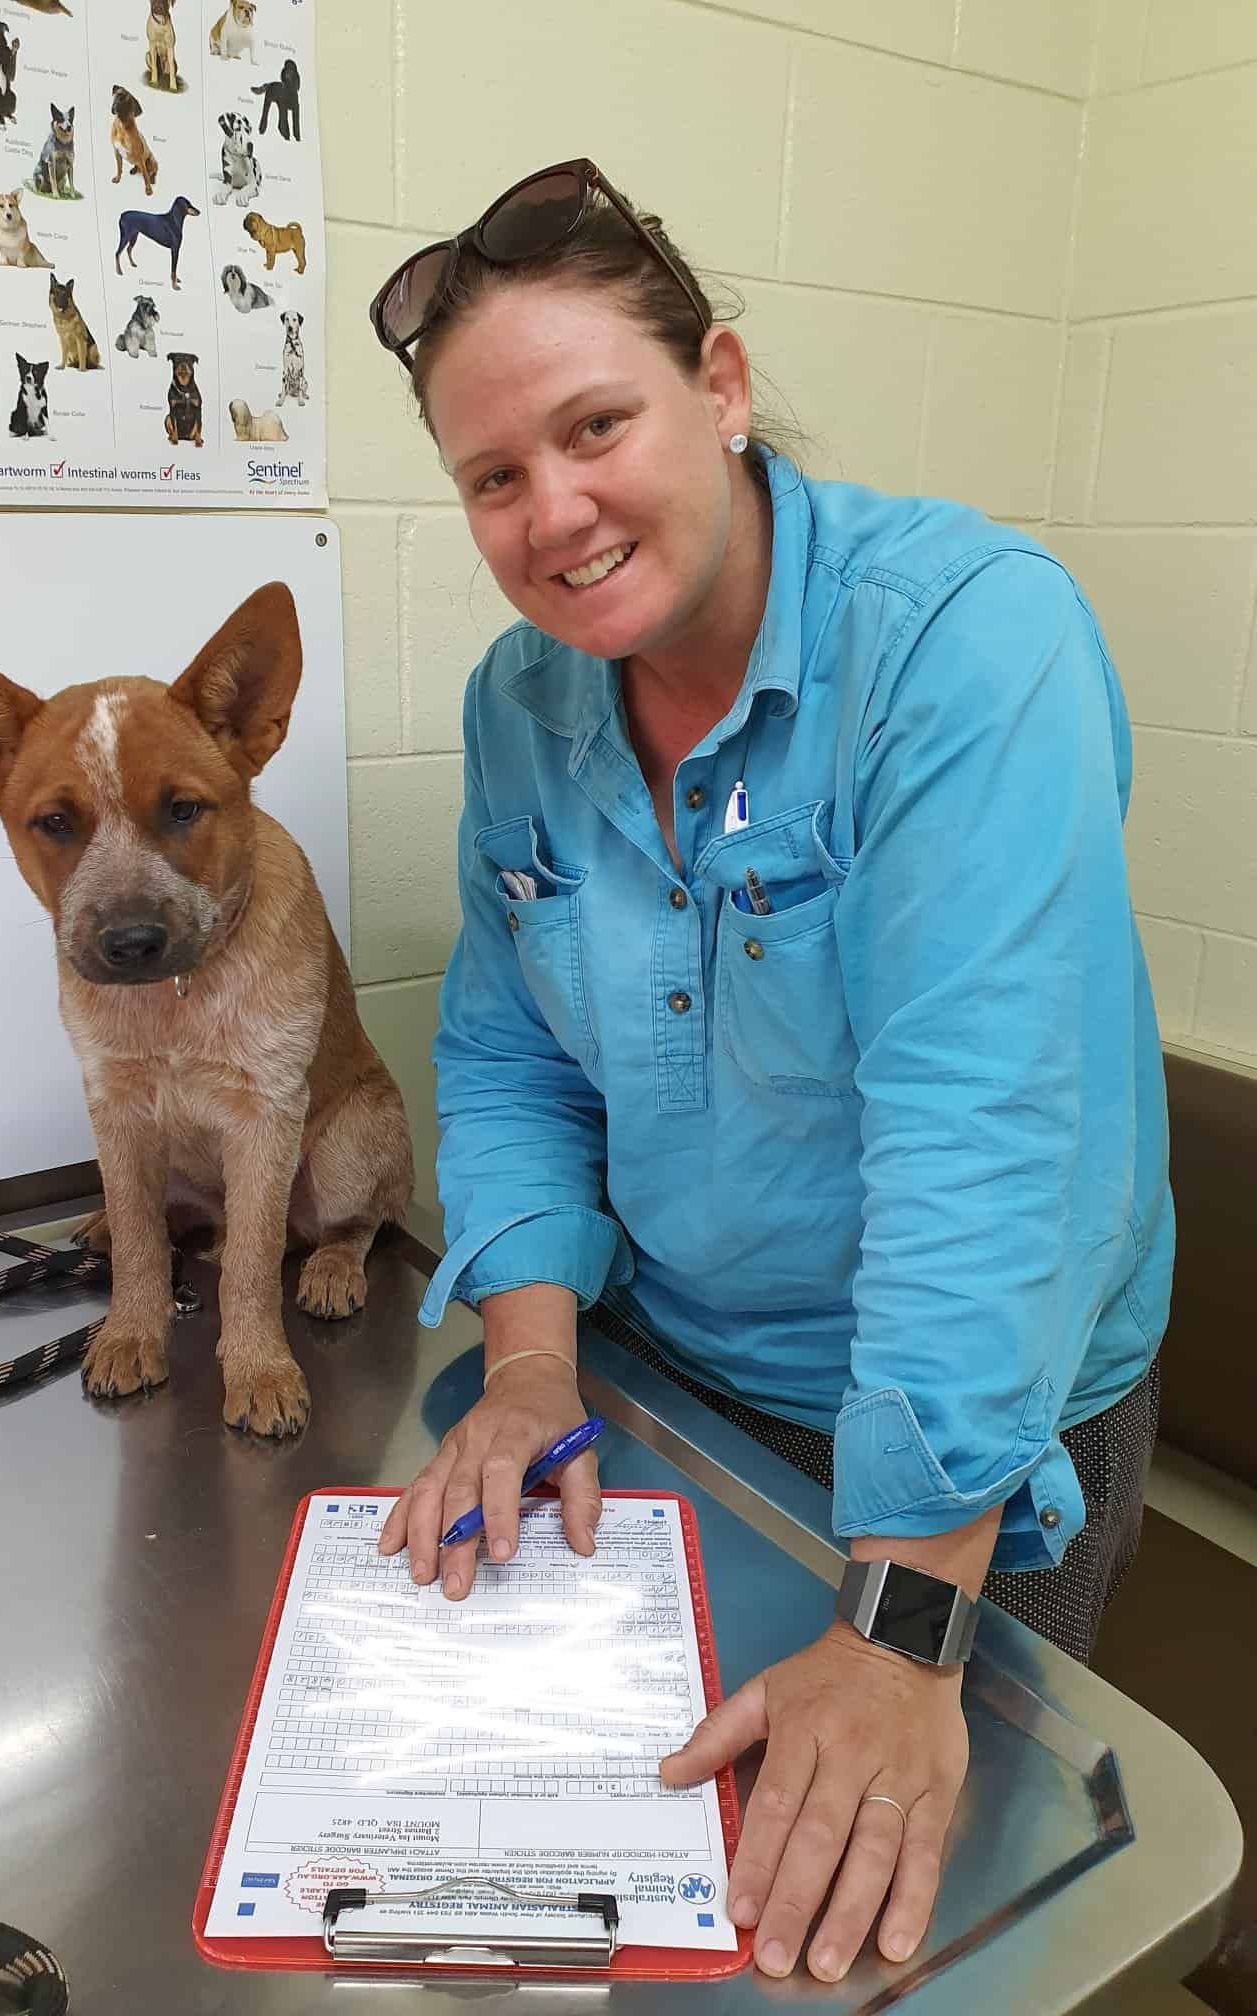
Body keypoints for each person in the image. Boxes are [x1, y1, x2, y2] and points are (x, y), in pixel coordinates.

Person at [366, 158, 1172, 1985]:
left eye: (597, 426)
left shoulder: (965, 639)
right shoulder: (525, 703)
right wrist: (526, 1366)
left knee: (902, 1933)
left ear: (719, 387)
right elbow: (505, 1053)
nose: (553, 512)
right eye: (494, 477)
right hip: (673, 1390)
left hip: (971, 1453)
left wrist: (898, 1633)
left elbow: (992, 1135)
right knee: (627, 1892)